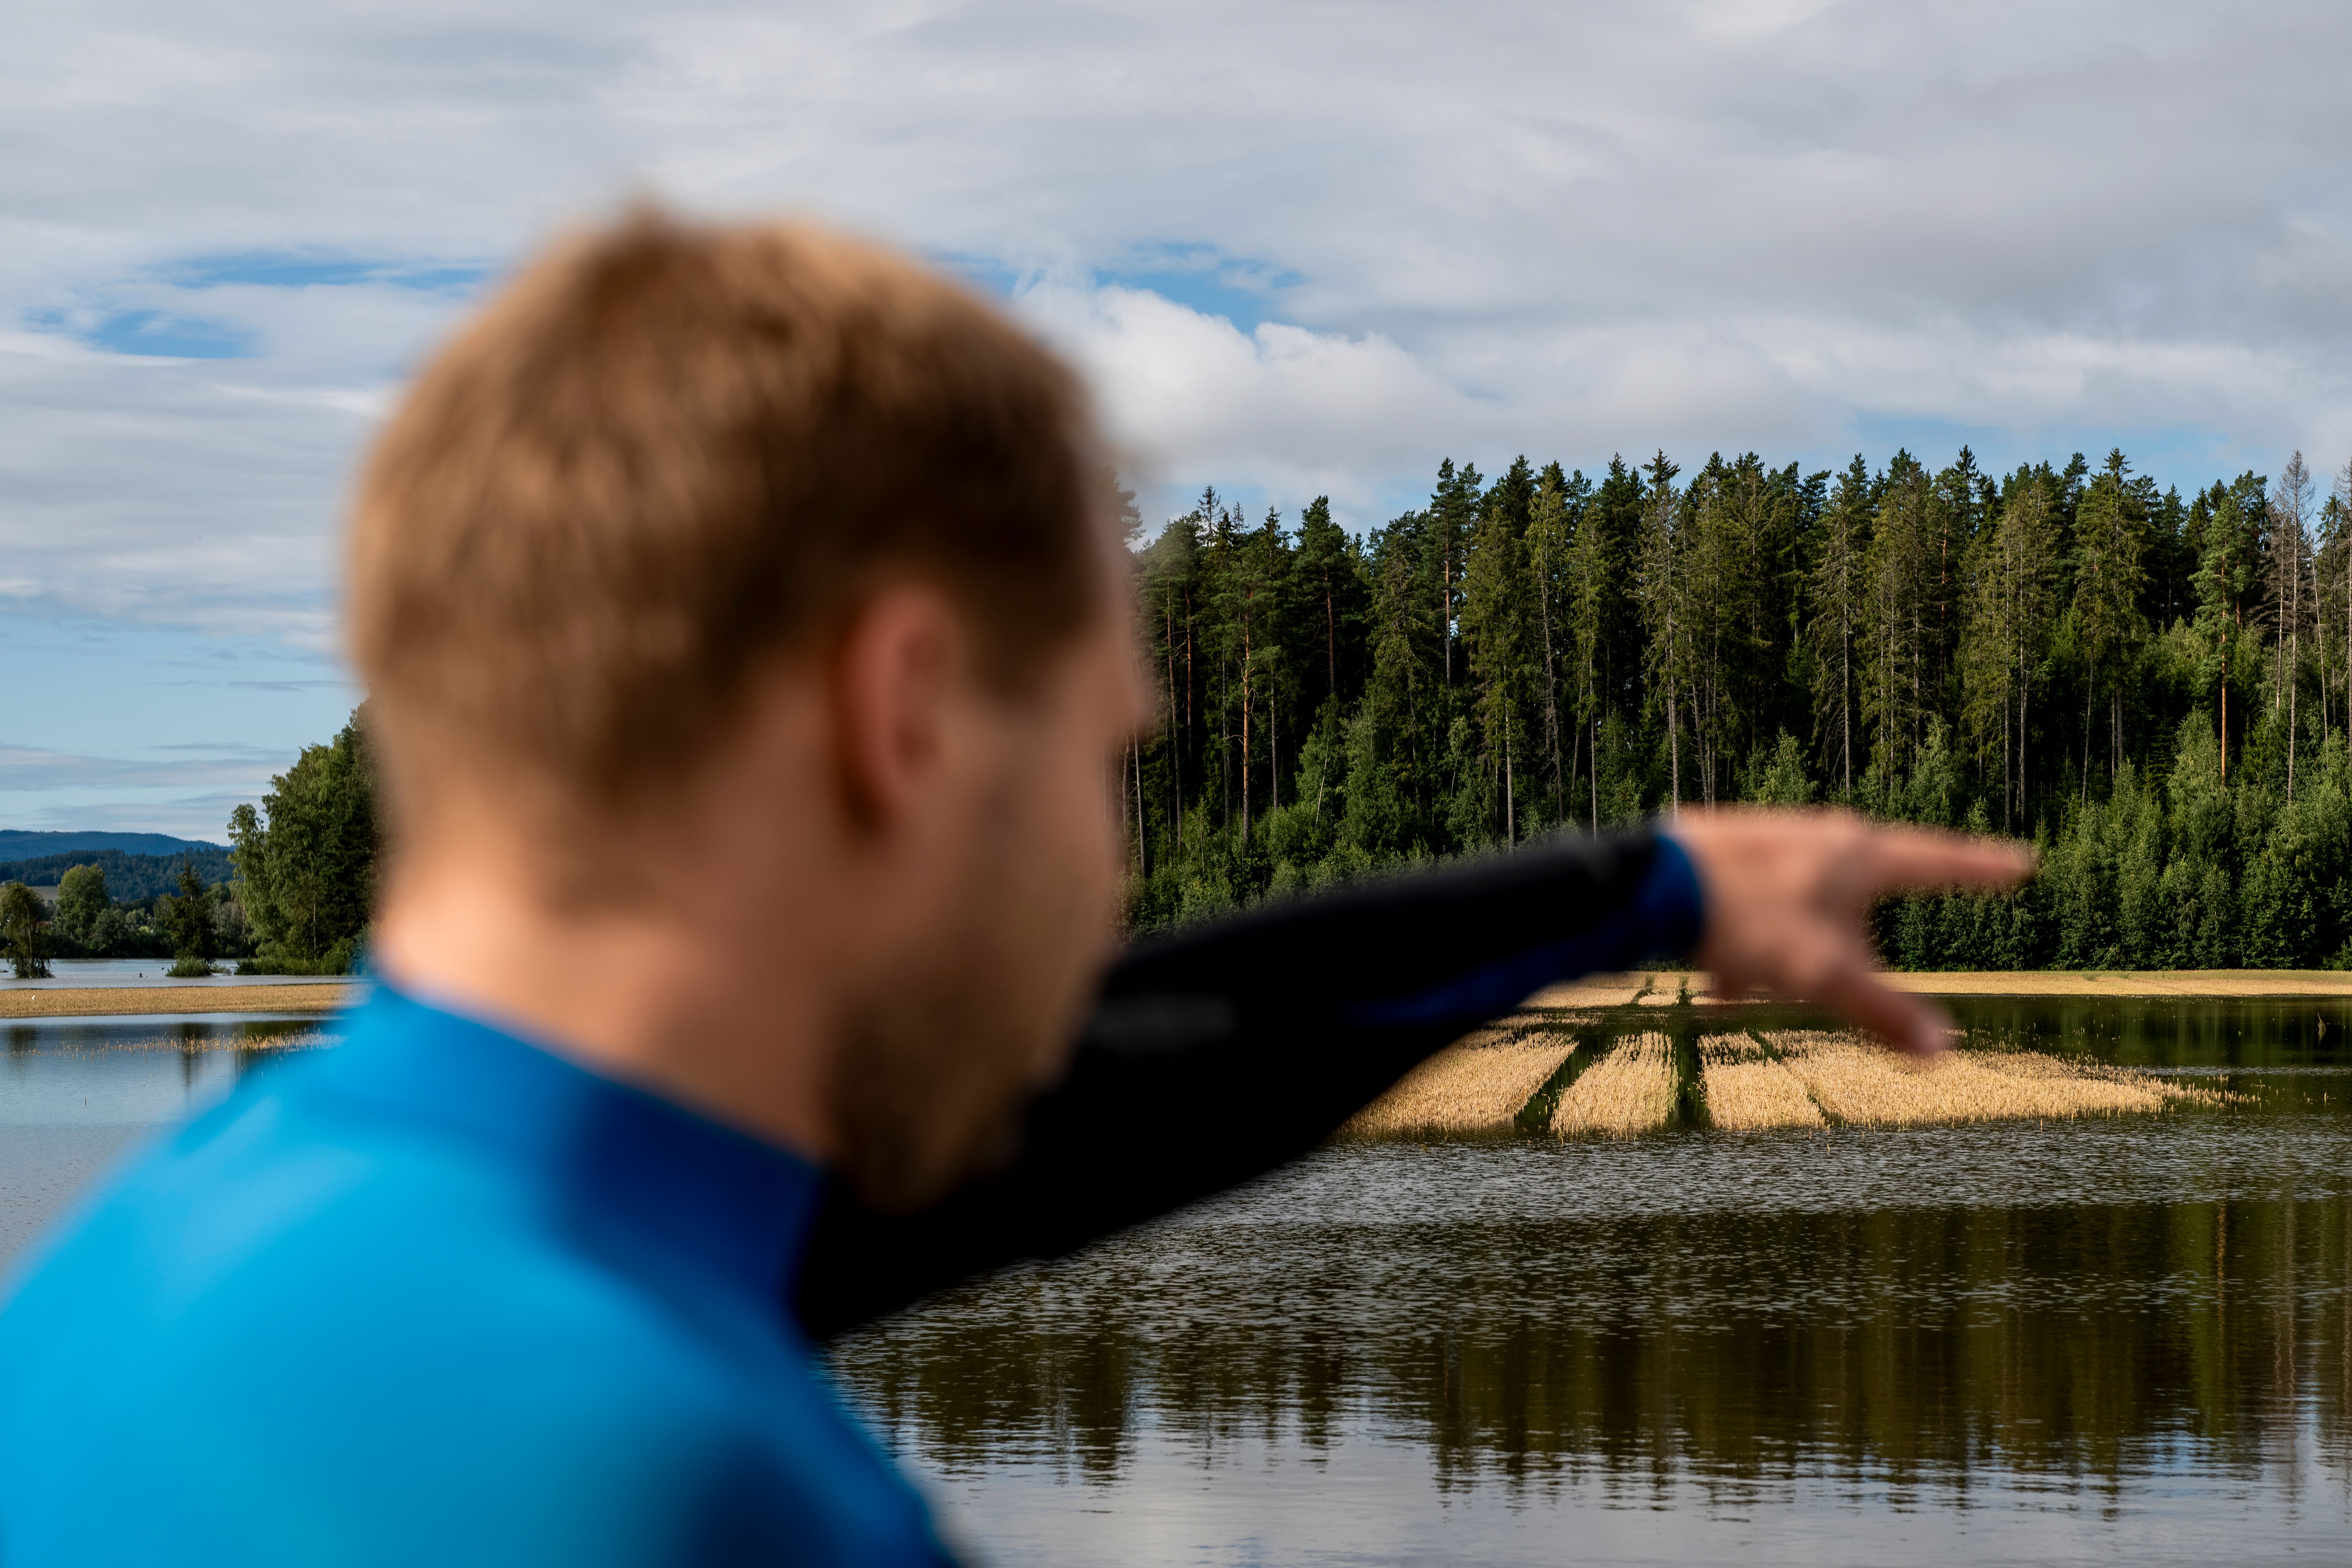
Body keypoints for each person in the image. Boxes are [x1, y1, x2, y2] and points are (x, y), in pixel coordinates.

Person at [0, 211, 2029, 1565]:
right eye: (1101, 754)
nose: (1106, 864)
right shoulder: (681, 1491)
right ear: (899, 711)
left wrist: (1650, 885)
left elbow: (1056, 1115)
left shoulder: (180, 1245)